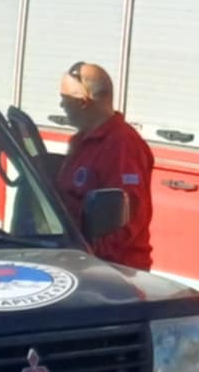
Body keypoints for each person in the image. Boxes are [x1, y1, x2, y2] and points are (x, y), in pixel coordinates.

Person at [56, 60, 154, 270]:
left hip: (114, 272)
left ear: (83, 102)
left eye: (65, 99)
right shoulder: (82, 141)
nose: (62, 106)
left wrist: (91, 255)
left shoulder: (122, 145)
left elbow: (127, 216)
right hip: (82, 263)